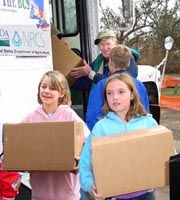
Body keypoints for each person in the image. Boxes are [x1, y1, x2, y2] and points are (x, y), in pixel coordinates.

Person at [79, 73, 158, 200]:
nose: (115, 97)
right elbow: (85, 161)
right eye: (109, 93)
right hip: (114, 196)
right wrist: (89, 184)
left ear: (132, 95)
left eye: (121, 92)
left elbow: (163, 155)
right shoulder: (101, 128)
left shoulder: (148, 123)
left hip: (146, 195)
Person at [23, 70, 90, 200]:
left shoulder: (68, 115)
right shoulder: (31, 117)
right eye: (44, 86)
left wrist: (80, 160)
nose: (47, 91)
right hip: (39, 192)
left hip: (67, 193)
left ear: (62, 93)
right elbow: (19, 142)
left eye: (53, 88)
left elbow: (88, 140)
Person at [86, 45, 149, 130]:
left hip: (108, 137)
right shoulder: (139, 85)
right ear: (129, 63)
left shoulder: (102, 85)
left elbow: (92, 117)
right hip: (136, 135)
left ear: (110, 62)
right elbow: (145, 112)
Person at [71, 29, 139, 91]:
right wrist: (67, 80)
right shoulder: (99, 61)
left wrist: (91, 74)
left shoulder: (127, 57)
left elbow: (120, 83)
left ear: (116, 44)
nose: (105, 48)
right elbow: (87, 82)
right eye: (101, 45)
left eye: (108, 44)